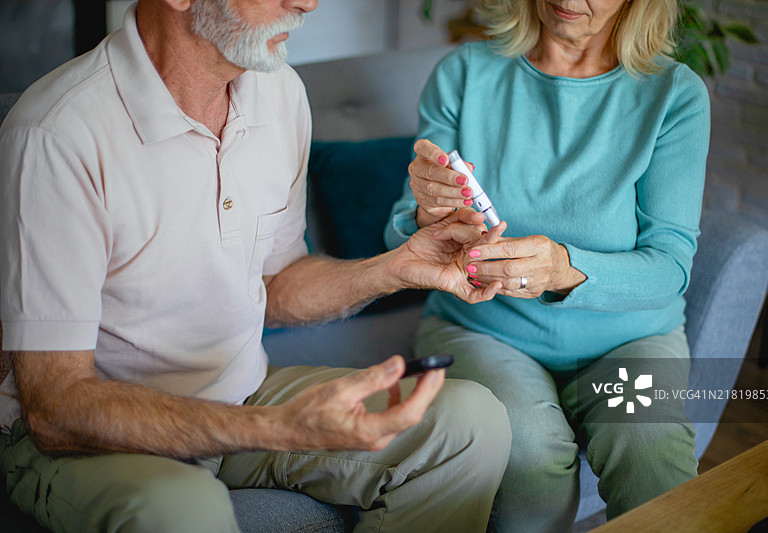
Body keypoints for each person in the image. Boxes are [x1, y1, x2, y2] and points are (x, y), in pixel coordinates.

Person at [0, 1, 514, 532]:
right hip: (98, 441)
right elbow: (55, 407)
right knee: (182, 511)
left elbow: (279, 283)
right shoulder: (56, 133)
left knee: (470, 424)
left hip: (242, 393)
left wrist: (400, 265)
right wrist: (277, 428)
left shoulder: (278, 90)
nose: (307, 3)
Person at [385, 0, 710, 531]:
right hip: (485, 327)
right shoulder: (465, 72)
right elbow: (398, 232)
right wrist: (427, 212)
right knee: (528, 456)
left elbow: (670, 267)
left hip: (629, 337)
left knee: (651, 452)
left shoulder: (674, 94)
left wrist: (563, 270)